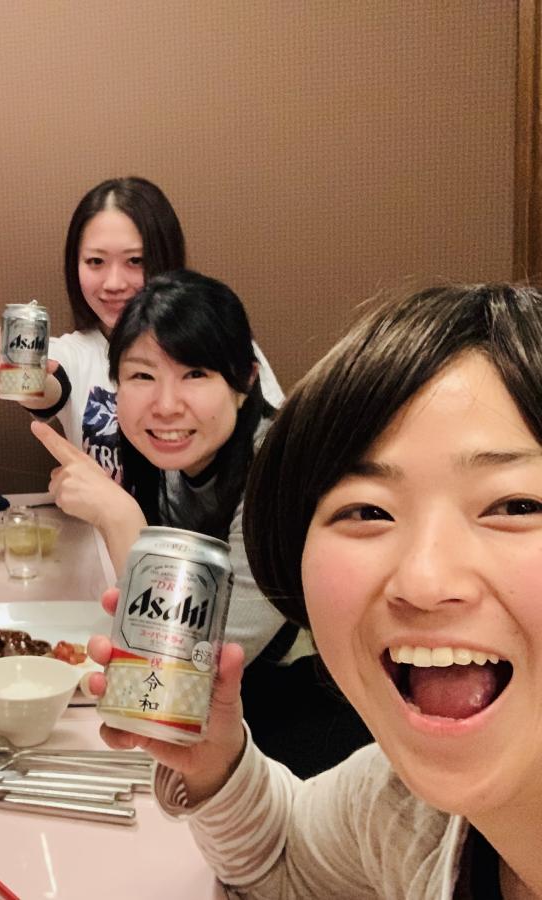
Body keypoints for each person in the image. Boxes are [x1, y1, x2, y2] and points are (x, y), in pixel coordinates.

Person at [90, 283, 542, 897]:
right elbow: (282, 861)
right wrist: (218, 764)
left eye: (515, 505)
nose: (424, 582)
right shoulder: (400, 812)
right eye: (368, 511)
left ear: (244, 381)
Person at [36, 270, 369, 776]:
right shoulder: (173, 456)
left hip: (309, 724)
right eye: (142, 376)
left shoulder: (280, 480)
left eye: (195, 374)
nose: (166, 406)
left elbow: (190, 665)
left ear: (245, 382)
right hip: (225, 710)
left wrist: (119, 517)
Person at [0, 176, 282, 481]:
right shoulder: (73, 353)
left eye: (135, 260)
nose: (114, 283)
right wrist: (14, 363)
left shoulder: (217, 342)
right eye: (95, 261)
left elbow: (274, 448)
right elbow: (48, 385)